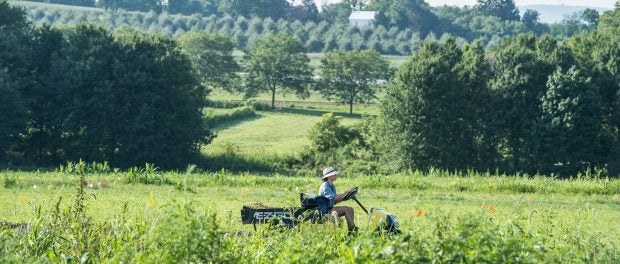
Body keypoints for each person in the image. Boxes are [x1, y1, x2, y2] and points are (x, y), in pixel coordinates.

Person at [318, 167, 358, 232]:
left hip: (329, 208)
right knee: (346, 209)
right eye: (334, 174)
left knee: (351, 209)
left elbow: (335, 201)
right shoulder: (325, 185)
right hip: (324, 210)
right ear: (329, 176)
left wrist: (345, 196)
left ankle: (350, 231)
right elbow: (333, 198)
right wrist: (345, 193)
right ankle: (353, 228)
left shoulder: (332, 186)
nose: (335, 175)